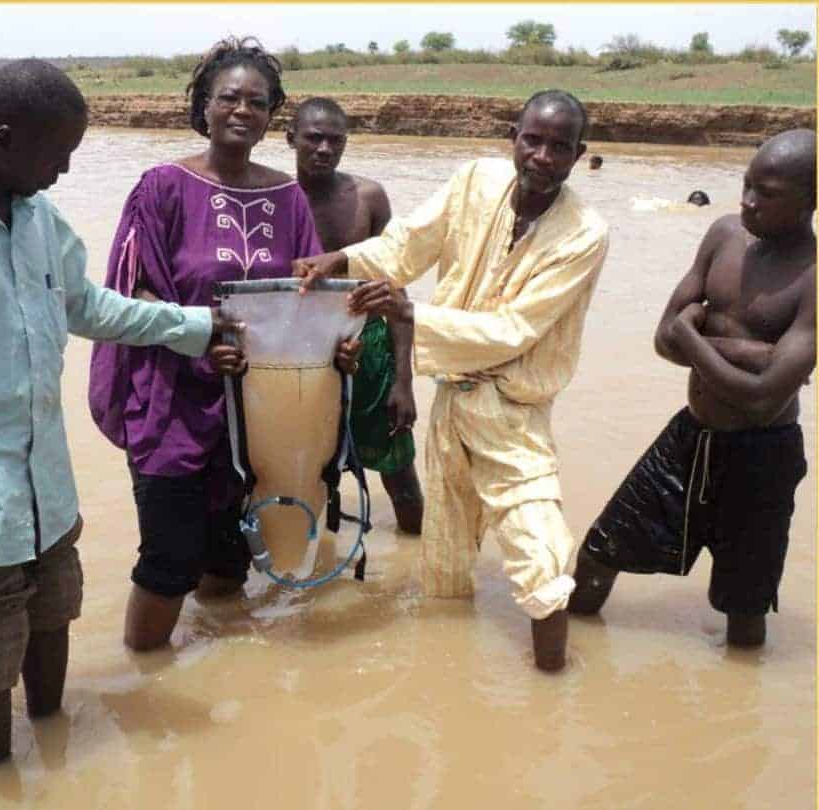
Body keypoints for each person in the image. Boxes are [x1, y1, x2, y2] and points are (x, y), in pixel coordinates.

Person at [0, 59, 234, 765]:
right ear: (3, 137)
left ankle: (54, 753)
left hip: (47, 491)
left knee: (54, 614)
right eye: (58, 155)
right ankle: (1, 776)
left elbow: (89, 308)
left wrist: (199, 326)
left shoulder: (37, 218)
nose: (63, 172)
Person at [294, 90, 609, 671]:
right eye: (532, 140)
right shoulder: (476, 182)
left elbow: (516, 329)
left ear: (578, 154)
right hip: (452, 401)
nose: (541, 155)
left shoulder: (584, 234)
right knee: (444, 560)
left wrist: (408, 312)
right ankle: (446, 685)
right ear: (513, 136)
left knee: (539, 551)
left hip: (513, 411)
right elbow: (407, 244)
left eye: (559, 147)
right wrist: (342, 259)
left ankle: (553, 691)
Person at [89, 38, 358, 653]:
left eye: (258, 102)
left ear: (272, 116)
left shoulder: (287, 199)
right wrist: (201, 340)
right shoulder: (161, 188)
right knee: (167, 560)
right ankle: (146, 688)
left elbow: (305, 300)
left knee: (231, 556)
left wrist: (337, 348)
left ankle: (223, 677)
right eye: (229, 98)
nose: (243, 110)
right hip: (172, 404)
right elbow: (132, 299)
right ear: (203, 106)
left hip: (258, 413)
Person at [570, 129, 816, 648]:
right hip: (691, 436)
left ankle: (736, 713)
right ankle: (563, 677)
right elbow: (663, 339)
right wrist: (748, 352)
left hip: (762, 457)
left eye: (767, 193)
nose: (748, 202)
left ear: (810, 199)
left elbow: (763, 397)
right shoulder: (724, 235)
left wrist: (695, 334)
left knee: (744, 607)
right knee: (597, 554)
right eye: (746, 185)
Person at [286, 97, 423, 534]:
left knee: (398, 470)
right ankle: (320, 573)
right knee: (312, 472)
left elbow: (395, 285)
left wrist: (404, 380)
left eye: (335, 140)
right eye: (314, 138)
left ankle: (419, 559)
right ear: (291, 138)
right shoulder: (274, 199)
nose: (325, 149)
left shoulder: (368, 197)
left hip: (371, 345)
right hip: (302, 351)